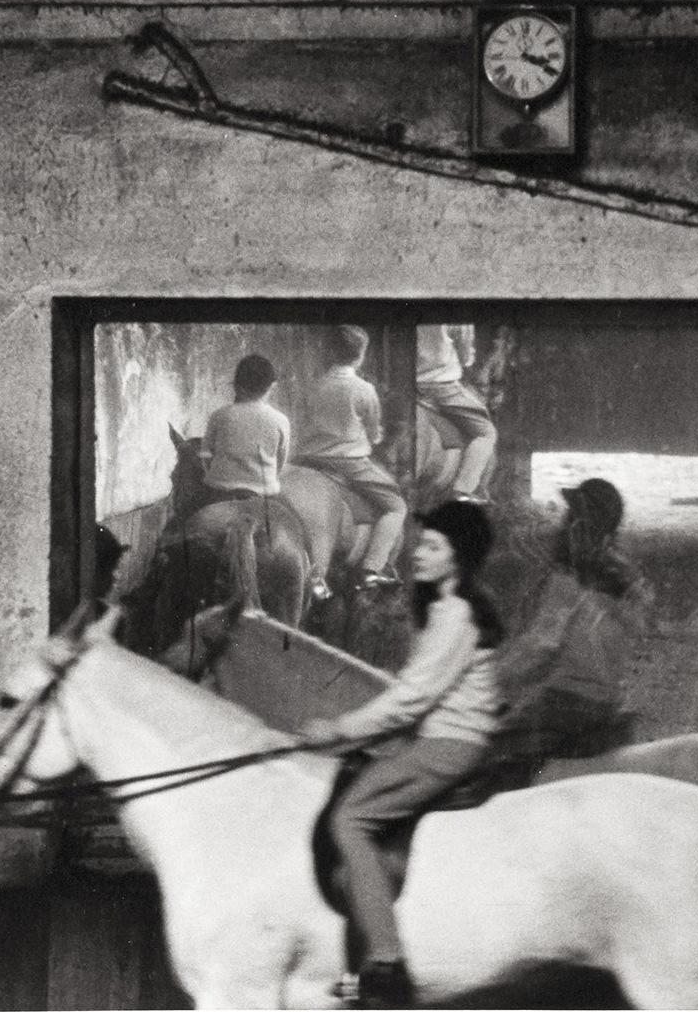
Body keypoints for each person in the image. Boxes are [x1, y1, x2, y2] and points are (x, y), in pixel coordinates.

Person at [298, 500, 505, 1008]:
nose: (418, 553)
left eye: (433, 546)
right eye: (421, 543)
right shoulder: (446, 609)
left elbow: (412, 698)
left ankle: (386, 961)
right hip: (439, 737)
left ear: (458, 557)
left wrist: (339, 729)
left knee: (349, 820)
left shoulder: (456, 614)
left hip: (449, 747)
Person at [492, 478, 649, 772]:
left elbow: (542, 645)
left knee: (486, 751)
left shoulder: (569, 578)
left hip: (566, 704)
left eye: (569, 517)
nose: (562, 525)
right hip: (608, 705)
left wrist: (491, 679)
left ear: (577, 525)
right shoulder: (628, 580)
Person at [295, 325, 409, 597]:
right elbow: (374, 433)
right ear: (361, 355)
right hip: (348, 463)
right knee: (396, 506)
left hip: (307, 459)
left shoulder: (314, 384)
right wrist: (375, 436)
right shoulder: (363, 389)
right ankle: (372, 569)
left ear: (331, 353)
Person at [195, 353, 291, 514]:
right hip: (263, 494)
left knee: (185, 524)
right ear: (271, 387)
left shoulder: (219, 415)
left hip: (220, 492)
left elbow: (205, 457)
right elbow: (280, 461)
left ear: (235, 386)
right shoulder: (280, 420)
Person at [416, 324, 496, 504]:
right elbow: (466, 358)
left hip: (410, 385)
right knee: (486, 433)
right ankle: (463, 490)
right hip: (441, 387)